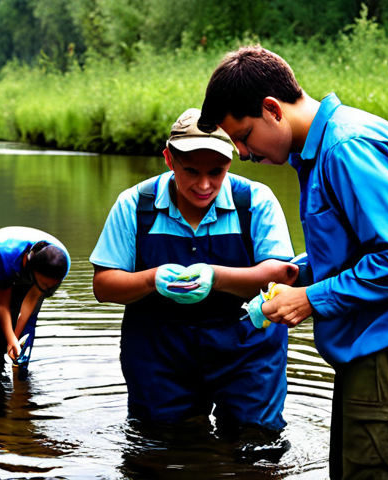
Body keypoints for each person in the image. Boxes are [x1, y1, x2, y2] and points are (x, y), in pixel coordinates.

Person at [199, 46, 388, 479]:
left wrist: (310, 298)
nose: (242, 153)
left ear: (272, 109)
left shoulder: (346, 148)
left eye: (243, 136)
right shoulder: (324, 150)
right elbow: (365, 248)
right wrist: (301, 272)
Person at [90, 108, 299, 433]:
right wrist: (152, 279)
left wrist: (215, 277)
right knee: (161, 444)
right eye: (190, 171)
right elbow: (103, 286)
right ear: (169, 160)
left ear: (230, 162)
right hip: (159, 348)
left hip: (247, 346)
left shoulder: (255, 201)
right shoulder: (134, 205)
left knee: (257, 442)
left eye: (216, 172)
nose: (204, 185)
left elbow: (280, 274)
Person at [0, 226, 70, 369]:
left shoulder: (61, 264)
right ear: (33, 272)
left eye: (52, 286)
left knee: (23, 338)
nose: (48, 289)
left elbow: (31, 300)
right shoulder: (5, 257)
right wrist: (9, 339)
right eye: (46, 285)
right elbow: (2, 305)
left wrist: (14, 339)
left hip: (30, 273)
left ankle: (21, 375)